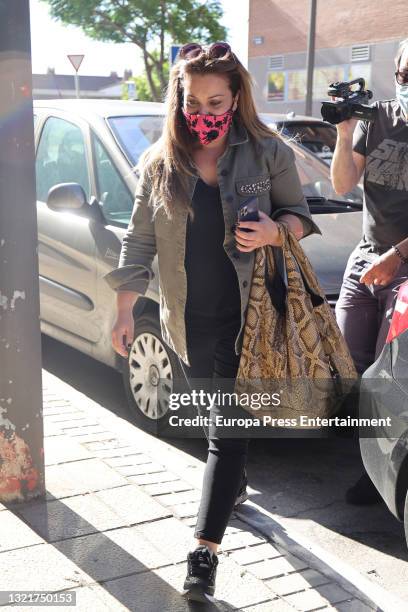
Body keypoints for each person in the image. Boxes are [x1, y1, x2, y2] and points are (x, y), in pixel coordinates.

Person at [104, 41, 321, 603]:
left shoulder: (268, 152)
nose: (204, 111)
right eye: (193, 99)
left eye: (216, 100)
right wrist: (125, 307)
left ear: (236, 96)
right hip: (185, 320)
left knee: (227, 432)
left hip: (249, 319)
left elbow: (299, 215)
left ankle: (204, 552)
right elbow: (139, 240)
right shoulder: (161, 162)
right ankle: (234, 484)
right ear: (179, 98)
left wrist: (278, 231)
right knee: (217, 421)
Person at [332, 37, 408, 505]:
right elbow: (342, 182)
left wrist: (398, 256)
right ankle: (366, 460)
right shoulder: (377, 117)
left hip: (402, 270)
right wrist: (342, 134)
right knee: (350, 367)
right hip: (365, 258)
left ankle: (379, 475)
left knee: (388, 381)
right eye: (406, 75)